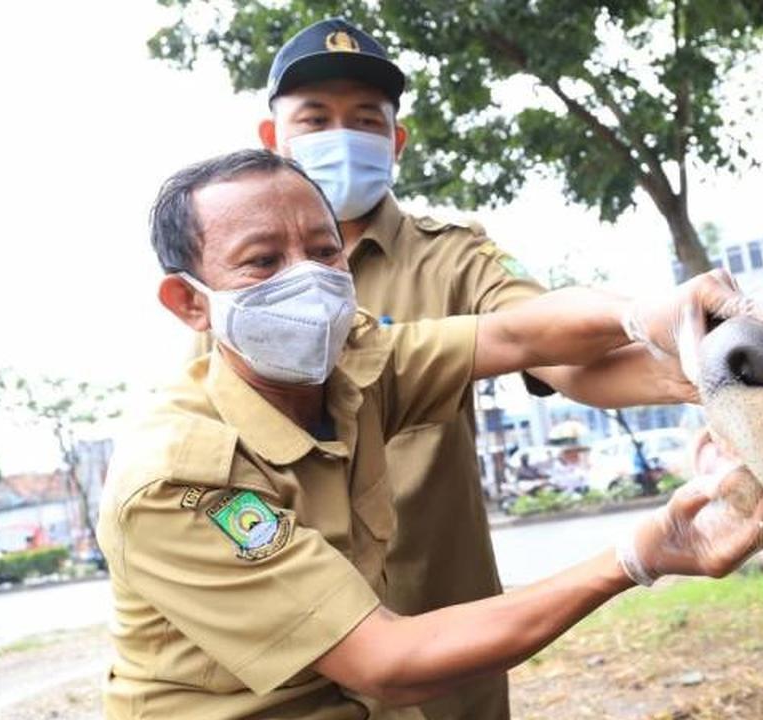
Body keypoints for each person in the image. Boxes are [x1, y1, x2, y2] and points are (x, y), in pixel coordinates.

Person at [98, 149, 763, 719]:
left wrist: (646, 314)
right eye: (262, 261)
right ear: (189, 301)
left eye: (323, 250)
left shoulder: (353, 365)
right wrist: (640, 556)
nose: (306, 279)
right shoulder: (179, 479)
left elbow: (515, 335)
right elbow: (386, 662)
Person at [237, 19, 710, 718]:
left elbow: (554, 347)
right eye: (315, 119)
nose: (342, 137)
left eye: (365, 120)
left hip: (448, 620)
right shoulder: (238, 279)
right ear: (272, 138)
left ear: (395, 141)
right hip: (301, 634)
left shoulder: (451, 255)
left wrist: (702, 368)